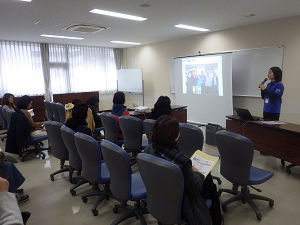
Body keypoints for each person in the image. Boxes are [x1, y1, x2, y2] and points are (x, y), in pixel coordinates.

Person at [145, 115, 223, 225]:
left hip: (159, 196)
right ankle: (217, 221)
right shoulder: (183, 162)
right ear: (174, 136)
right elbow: (195, 188)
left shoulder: (148, 150)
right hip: (182, 205)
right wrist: (197, 173)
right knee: (210, 185)